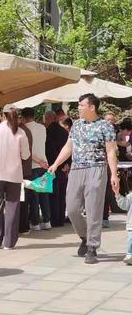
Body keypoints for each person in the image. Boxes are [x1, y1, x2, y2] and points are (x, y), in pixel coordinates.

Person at [49, 93, 119, 264]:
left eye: (81, 105)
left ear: (92, 107)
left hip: (97, 169)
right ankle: (84, 237)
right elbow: (68, 147)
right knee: (72, 209)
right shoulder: (77, 125)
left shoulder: (105, 126)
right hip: (76, 170)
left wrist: (114, 174)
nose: (78, 107)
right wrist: (56, 164)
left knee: (94, 209)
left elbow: (111, 151)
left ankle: (92, 248)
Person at [0, 105, 31, 250]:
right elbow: (26, 155)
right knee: (13, 207)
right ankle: (9, 243)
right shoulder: (21, 132)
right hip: (14, 174)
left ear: (3, 115)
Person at [21, 107, 51, 231]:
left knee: (34, 195)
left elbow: (27, 151)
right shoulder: (42, 128)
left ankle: (35, 222)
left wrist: (37, 160)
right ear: (34, 116)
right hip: (44, 163)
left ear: (23, 117)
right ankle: (47, 220)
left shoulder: (23, 130)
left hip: (32, 165)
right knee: (43, 193)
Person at [43, 110, 70, 227]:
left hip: (51, 166)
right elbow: (69, 149)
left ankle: (54, 219)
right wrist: (67, 164)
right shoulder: (64, 131)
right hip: (63, 166)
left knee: (53, 194)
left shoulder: (47, 132)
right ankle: (61, 218)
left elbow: (49, 150)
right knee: (62, 194)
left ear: (48, 119)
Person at [113, 184, 132, 265]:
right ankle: (130, 255)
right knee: (130, 240)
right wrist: (117, 194)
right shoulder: (131, 196)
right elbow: (124, 205)